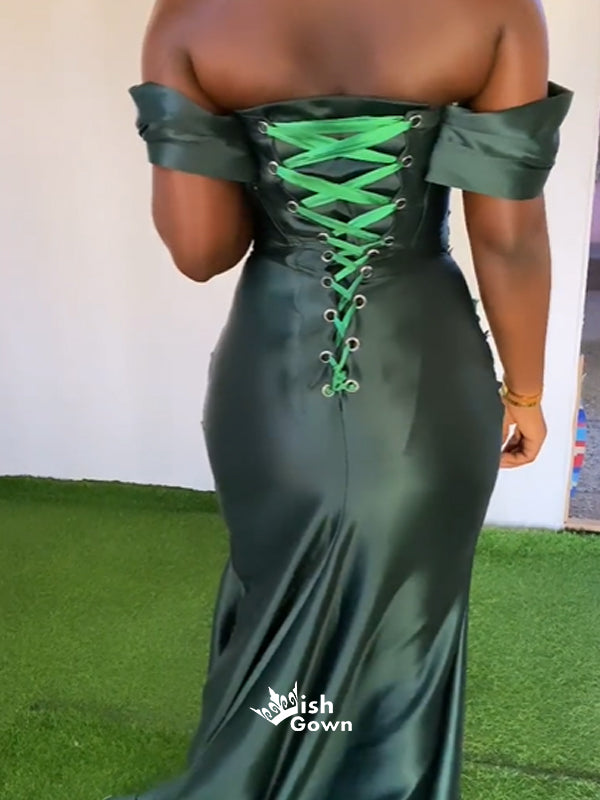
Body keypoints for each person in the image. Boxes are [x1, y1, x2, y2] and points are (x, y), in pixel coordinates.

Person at [108, 0, 573, 797]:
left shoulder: (187, 17)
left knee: (277, 603)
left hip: (270, 379)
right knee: (406, 627)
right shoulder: (496, 11)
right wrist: (524, 393)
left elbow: (202, 250)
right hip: (427, 374)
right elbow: (507, 236)